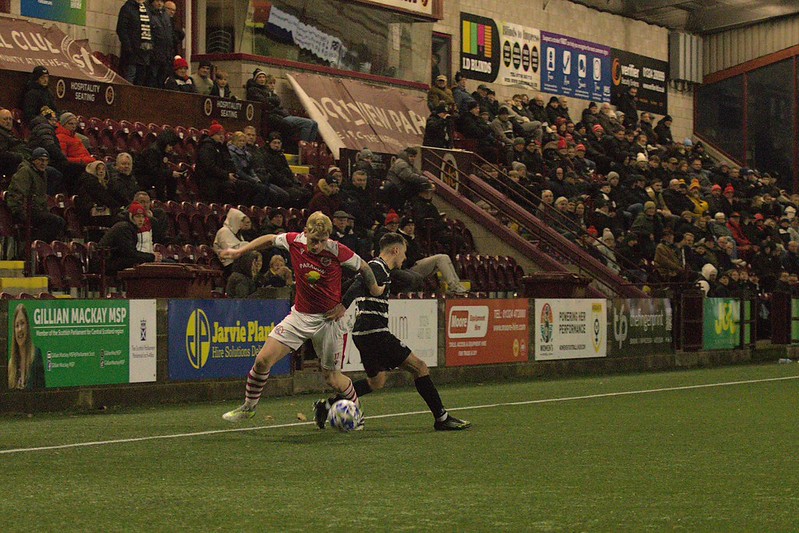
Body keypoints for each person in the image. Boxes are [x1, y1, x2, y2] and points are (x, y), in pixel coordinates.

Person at [219, 211, 385, 423]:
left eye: (322, 241)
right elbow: (269, 239)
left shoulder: (337, 250)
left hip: (329, 322)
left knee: (333, 379)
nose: (317, 246)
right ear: (305, 232)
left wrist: (373, 289)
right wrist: (240, 251)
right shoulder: (294, 241)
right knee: (262, 361)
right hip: (299, 317)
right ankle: (248, 407)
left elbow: (363, 267)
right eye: (314, 240)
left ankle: (356, 414)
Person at [313, 232, 471, 431]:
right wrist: (343, 305)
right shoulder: (377, 267)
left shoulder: (377, 269)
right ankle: (442, 418)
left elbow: (352, 283)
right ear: (395, 250)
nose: (405, 258)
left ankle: (326, 406)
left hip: (363, 333)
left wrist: (336, 299)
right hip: (375, 331)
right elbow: (356, 284)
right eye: (404, 253)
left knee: (377, 381)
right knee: (420, 367)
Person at [5, 148, 66, 243]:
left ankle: (41, 247)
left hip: (36, 209)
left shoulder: (43, 173)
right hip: (25, 210)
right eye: (41, 160)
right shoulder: (25, 171)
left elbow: (41, 197)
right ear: (34, 160)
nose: (43, 163)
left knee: (60, 221)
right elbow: (17, 193)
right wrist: (20, 212)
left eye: (46, 161)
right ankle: (32, 247)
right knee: (53, 221)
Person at [98, 201, 163, 275]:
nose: (141, 220)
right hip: (106, 263)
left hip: (113, 260)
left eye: (143, 217)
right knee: (139, 262)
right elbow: (130, 253)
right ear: (131, 217)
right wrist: (152, 257)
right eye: (137, 216)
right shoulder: (124, 228)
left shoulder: (130, 227)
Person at [117, 0, 153, 85]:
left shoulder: (147, 9)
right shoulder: (127, 8)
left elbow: (151, 29)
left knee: (141, 79)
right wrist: (128, 48)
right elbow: (121, 29)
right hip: (131, 52)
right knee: (130, 77)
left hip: (145, 52)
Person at [8, 304, 45, 390]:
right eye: (17, 325)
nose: (19, 329)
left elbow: (42, 393)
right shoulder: (11, 364)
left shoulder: (36, 355)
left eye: (22, 323)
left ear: (27, 326)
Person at [213, 208, 252, 276]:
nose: (244, 223)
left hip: (239, 262)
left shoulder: (237, 233)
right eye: (241, 221)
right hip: (230, 265)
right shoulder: (224, 231)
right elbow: (232, 251)